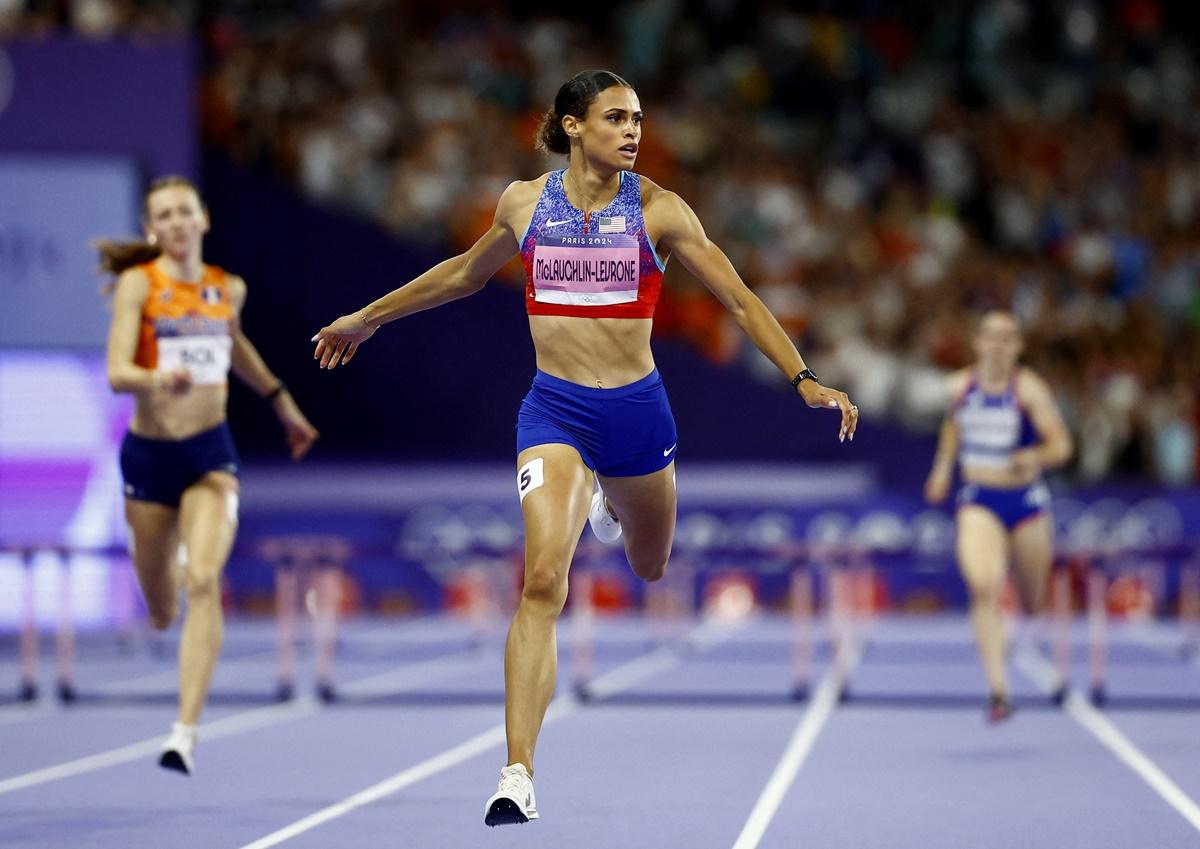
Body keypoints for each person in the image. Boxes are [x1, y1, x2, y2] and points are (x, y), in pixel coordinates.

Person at [311, 69, 858, 826]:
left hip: (637, 415)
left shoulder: (660, 211)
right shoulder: (524, 202)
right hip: (555, 412)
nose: (633, 131)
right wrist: (368, 317)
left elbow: (737, 297)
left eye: (638, 119)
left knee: (650, 563)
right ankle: (517, 771)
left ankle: (611, 502)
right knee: (542, 582)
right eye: (615, 118)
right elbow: (465, 275)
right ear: (572, 125)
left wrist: (803, 377)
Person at [100, 175, 319, 774]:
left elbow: (234, 345)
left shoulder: (229, 289)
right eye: (162, 215)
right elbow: (118, 371)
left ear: (202, 220)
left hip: (209, 456)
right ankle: (167, 575)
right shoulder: (138, 285)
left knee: (203, 579)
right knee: (163, 609)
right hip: (149, 459)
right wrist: (154, 379)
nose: (174, 223)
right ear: (152, 229)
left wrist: (282, 401)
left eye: (182, 212)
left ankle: (184, 732)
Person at [924, 310, 1073, 722]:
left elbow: (1062, 446)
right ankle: (999, 691)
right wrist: (942, 467)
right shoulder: (958, 386)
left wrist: (1035, 456)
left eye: (1007, 338)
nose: (998, 345)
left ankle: (1019, 620)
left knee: (1031, 602)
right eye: (990, 337)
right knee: (983, 585)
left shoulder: (1030, 391)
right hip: (979, 498)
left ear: (1018, 346)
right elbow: (953, 426)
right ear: (977, 342)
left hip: (1025, 503)